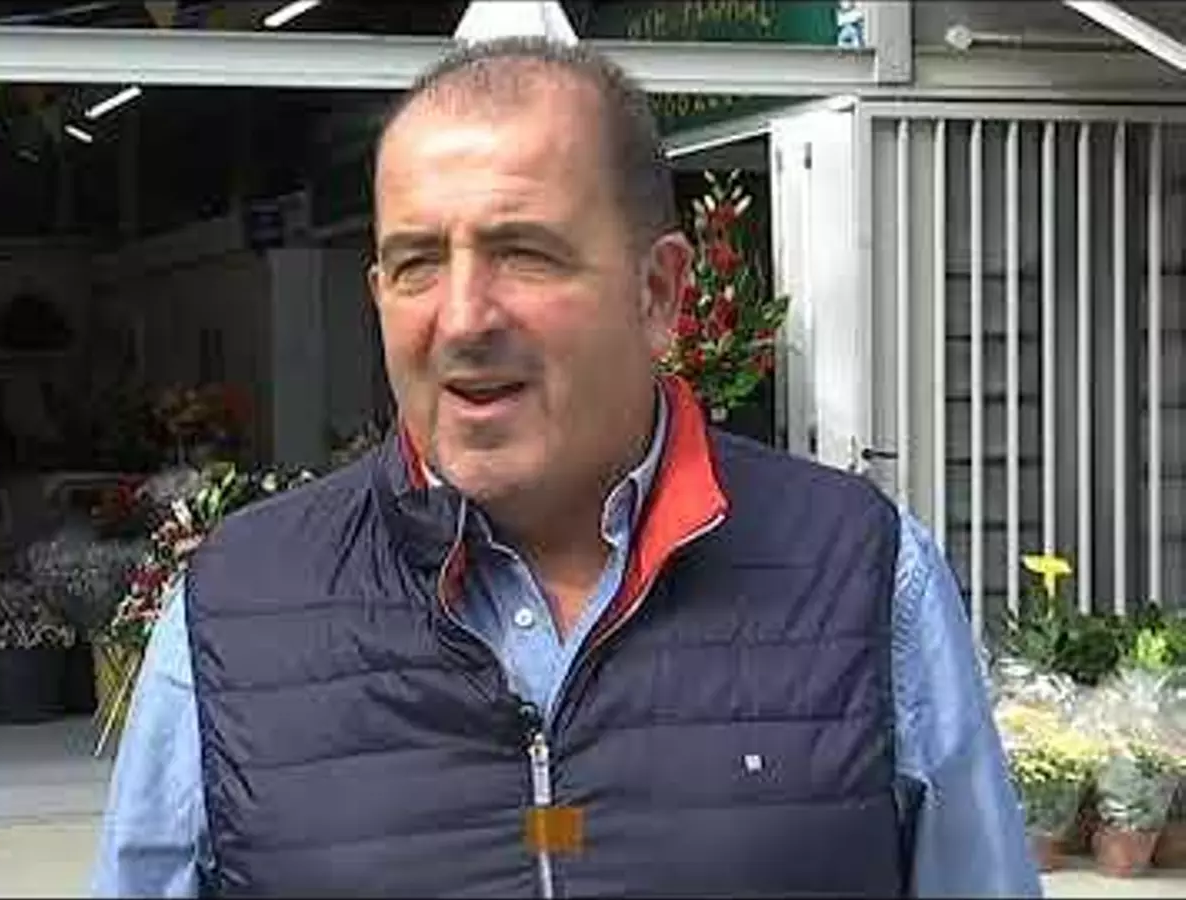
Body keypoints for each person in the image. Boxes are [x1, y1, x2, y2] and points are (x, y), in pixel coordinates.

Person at [93, 38, 1039, 898]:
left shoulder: (864, 577)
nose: (463, 319)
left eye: (524, 254)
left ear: (659, 293)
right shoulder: (236, 610)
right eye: (417, 263)